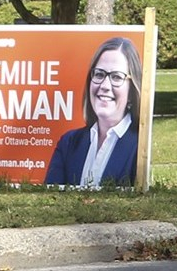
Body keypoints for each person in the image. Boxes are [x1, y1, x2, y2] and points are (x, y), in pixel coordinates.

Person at [44, 36, 143, 188]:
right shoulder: (69, 143)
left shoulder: (140, 147)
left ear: (132, 89)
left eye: (116, 77)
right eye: (99, 74)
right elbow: (50, 200)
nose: (105, 85)